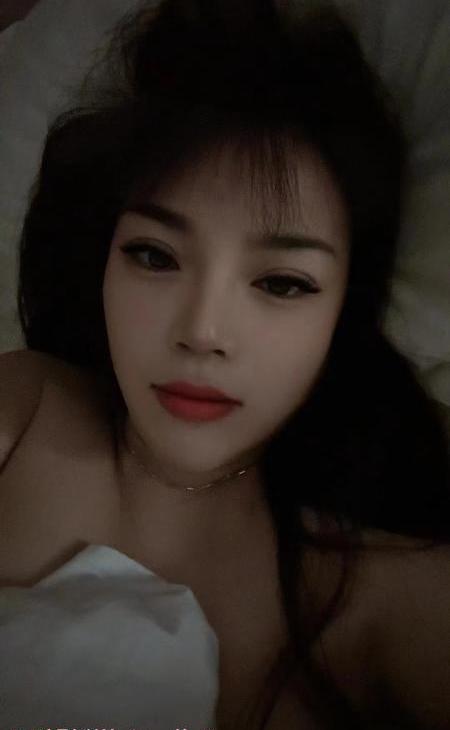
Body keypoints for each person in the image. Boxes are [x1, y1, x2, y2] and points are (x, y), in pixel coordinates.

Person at [1, 0, 449, 727]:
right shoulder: (25, 410)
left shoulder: (392, 595)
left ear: (344, 315)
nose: (203, 332)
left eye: (282, 283)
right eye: (154, 256)